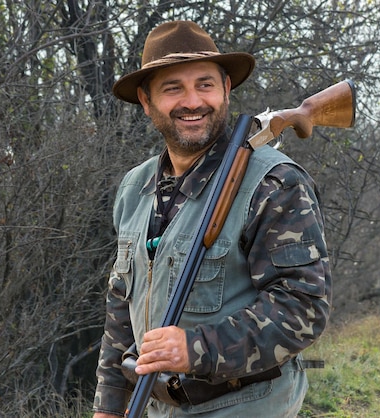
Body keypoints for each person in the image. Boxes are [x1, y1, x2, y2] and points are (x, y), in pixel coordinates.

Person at [92, 20, 332, 418]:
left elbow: (303, 308)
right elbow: (121, 307)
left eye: (205, 84)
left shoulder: (274, 182)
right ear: (146, 100)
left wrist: (195, 347)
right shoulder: (134, 188)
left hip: (246, 405)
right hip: (154, 407)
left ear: (226, 90)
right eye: (173, 88)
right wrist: (109, 407)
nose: (192, 101)